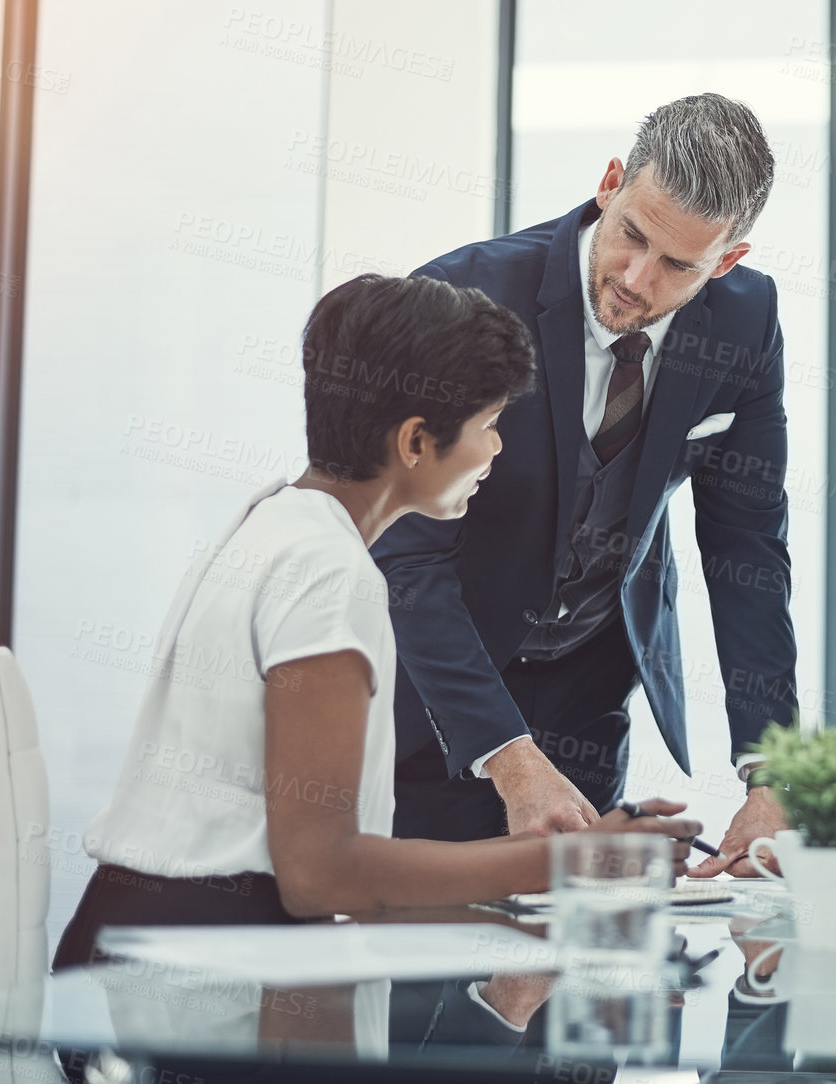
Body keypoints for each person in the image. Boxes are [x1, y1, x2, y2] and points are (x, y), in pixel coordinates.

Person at [54, 275, 698, 969]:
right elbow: (322, 876)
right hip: (185, 974)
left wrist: (570, 852)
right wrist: (568, 865)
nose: (496, 451)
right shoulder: (333, 573)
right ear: (417, 442)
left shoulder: (271, 519)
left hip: (139, 940)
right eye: (488, 426)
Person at [374, 93, 796, 875]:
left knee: (574, 955)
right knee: (428, 952)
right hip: (441, 692)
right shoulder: (461, 300)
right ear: (611, 182)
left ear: (728, 260)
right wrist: (507, 756)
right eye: (632, 234)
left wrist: (770, 771)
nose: (638, 279)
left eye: (679, 266)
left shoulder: (746, 321)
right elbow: (408, 554)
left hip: (590, 689)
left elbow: (749, 548)